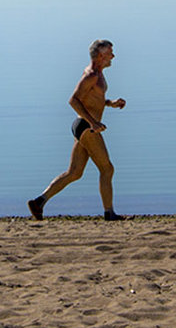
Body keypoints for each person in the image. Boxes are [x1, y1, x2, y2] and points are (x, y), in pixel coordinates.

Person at [28, 40, 128, 221]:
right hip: (86, 128)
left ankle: (39, 202)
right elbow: (73, 100)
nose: (113, 56)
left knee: (74, 172)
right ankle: (109, 213)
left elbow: (91, 100)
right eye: (110, 53)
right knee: (107, 169)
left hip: (83, 127)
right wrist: (93, 123)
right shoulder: (91, 76)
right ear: (100, 55)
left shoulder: (98, 74)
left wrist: (110, 103)